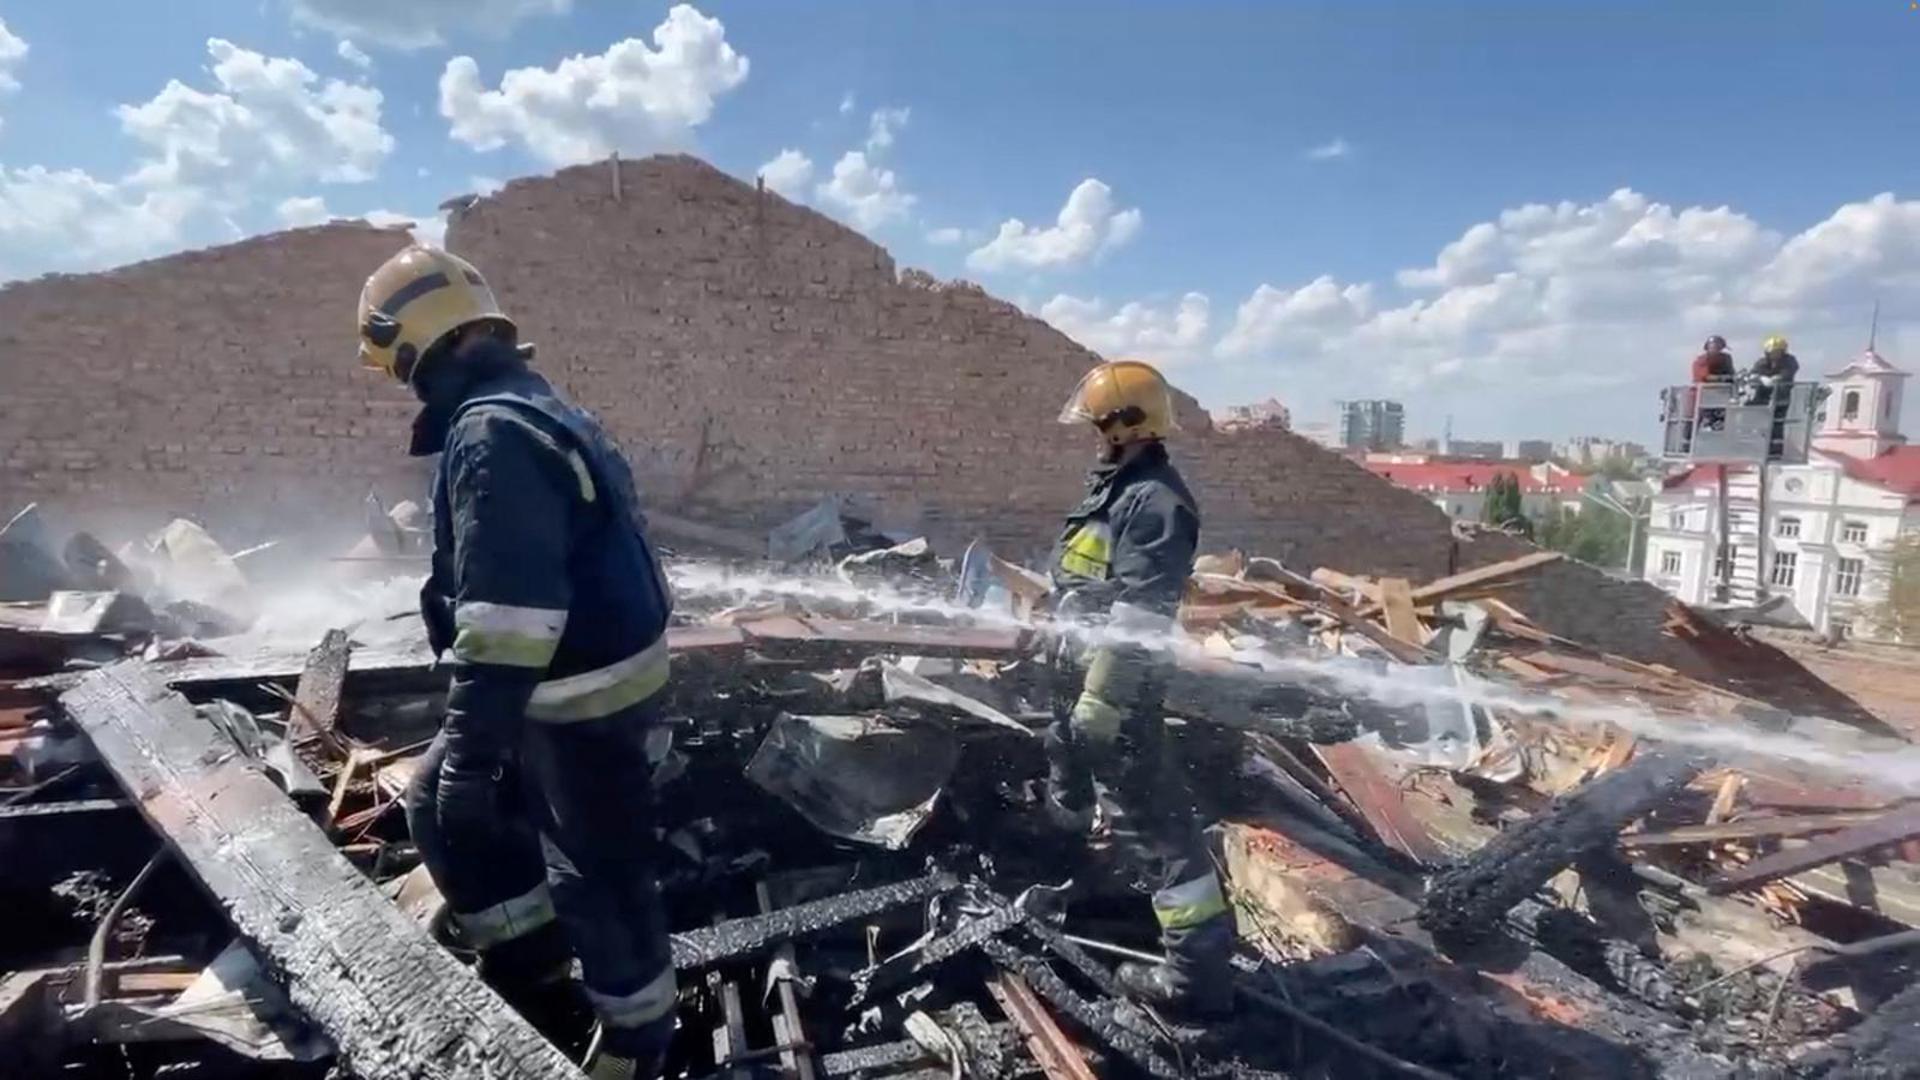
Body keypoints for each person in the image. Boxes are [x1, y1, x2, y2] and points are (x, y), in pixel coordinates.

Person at [355, 245, 678, 1080]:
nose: (398, 378)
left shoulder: (492, 429)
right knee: (435, 806)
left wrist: (474, 750)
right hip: (569, 688)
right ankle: (531, 969)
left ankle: (636, 1046)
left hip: (577, 702)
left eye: (392, 361)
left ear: (409, 340)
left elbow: (510, 624)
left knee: (598, 882)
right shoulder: (530, 404)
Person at [1044, 359, 1233, 1017]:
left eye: (1100, 424)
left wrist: (1102, 700)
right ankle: (1074, 891)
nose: (1093, 435)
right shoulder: (1115, 491)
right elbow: (1080, 587)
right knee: (1068, 788)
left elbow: (1138, 615)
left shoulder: (1155, 502)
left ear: (1128, 425)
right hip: (1079, 679)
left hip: (1119, 692)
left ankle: (1194, 978)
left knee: (1160, 830)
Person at [1750, 334, 1800, 456]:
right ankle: (1758, 450)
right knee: (1759, 422)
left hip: (1781, 397)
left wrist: (1774, 379)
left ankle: (1775, 452)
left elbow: (1787, 373)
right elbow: (1754, 373)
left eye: (1778, 351)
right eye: (1772, 351)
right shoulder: (1762, 362)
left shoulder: (1790, 361)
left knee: (1777, 424)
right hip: (1762, 397)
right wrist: (1759, 378)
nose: (1775, 354)